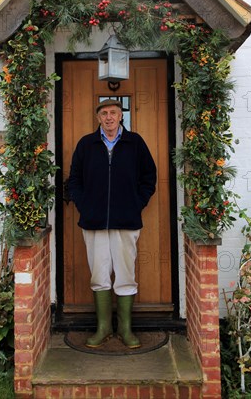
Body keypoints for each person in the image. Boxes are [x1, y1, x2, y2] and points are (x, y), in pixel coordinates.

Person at [68, 98, 156, 349]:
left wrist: (136, 202)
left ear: (121, 117)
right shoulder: (86, 144)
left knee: (126, 273)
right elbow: (74, 179)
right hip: (93, 221)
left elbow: (149, 177)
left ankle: (125, 330)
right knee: (99, 273)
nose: (109, 117)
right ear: (98, 118)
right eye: (104, 113)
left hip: (126, 221)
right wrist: (84, 204)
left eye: (114, 113)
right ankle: (103, 328)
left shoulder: (135, 143)